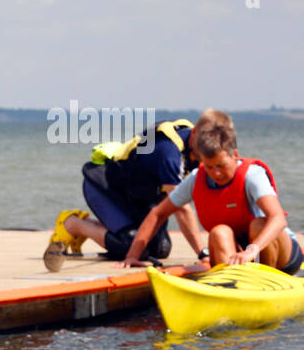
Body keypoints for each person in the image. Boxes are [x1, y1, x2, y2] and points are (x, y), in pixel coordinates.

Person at [122, 109, 302, 273]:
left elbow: (278, 219)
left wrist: (252, 250)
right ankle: (229, 283)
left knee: (258, 224)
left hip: (280, 255)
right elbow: (158, 213)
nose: (216, 173)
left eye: (221, 166)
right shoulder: (196, 177)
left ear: (235, 155)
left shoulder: (253, 175)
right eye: (209, 167)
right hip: (240, 254)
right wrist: (132, 256)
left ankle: (265, 279)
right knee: (219, 232)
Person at [44, 118, 204, 270]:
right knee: (129, 246)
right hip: (106, 186)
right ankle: (73, 224)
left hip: (138, 197)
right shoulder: (168, 152)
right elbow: (181, 208)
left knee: (160, 249)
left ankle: (115, 227)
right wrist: (204, 254)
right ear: (195, 132)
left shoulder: (200, 149)